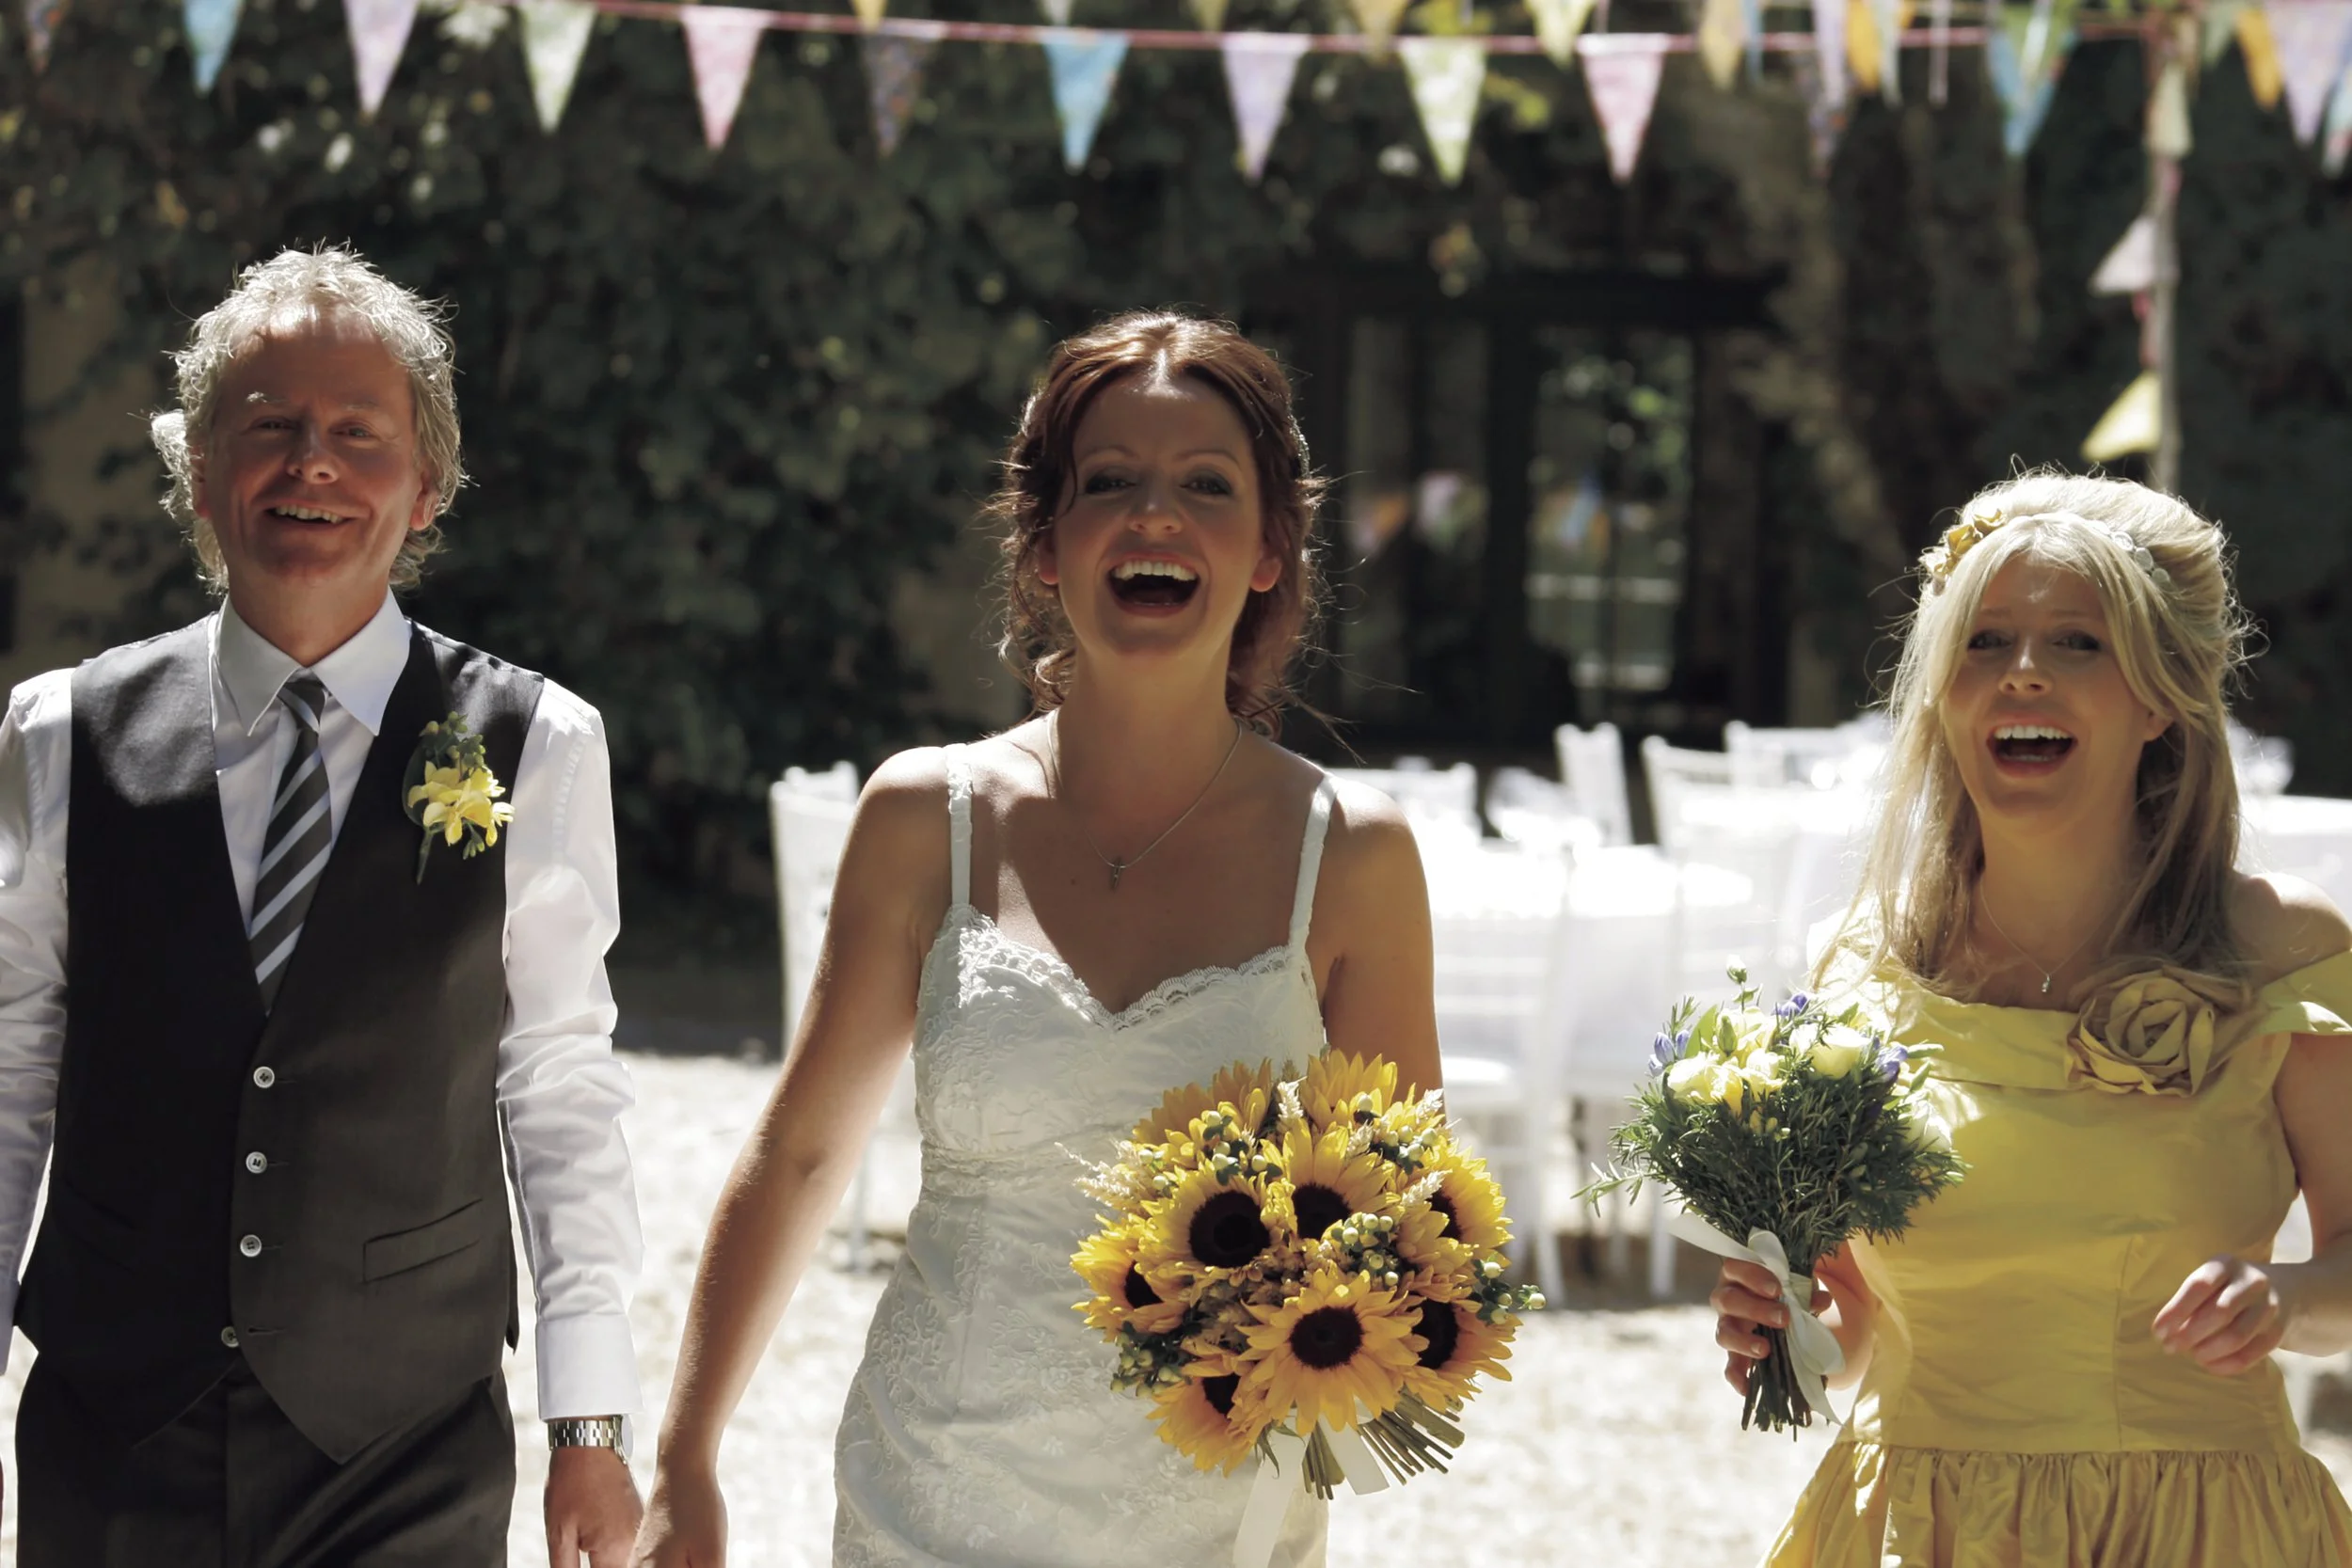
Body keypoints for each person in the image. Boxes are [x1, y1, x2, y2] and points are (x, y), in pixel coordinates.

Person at [631, 312, 1443, 1568]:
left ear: (1273, 547)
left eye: (1205, 486)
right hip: (928, 1499)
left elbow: (1414, 1243)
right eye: (1108, 481)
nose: (1154, 516)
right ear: (1047, 541)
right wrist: (685, 1457)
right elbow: (798, 1154)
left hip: (1217, 1523)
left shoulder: (1356, 854)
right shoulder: (924, 815)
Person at [0, 246, 646, 1566]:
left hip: (404, 1442)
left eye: (360, 433)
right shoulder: (63, 730)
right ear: (199, 470)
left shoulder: (539, 741)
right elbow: (11, 1073)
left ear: (428, 486)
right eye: (271, 427)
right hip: (115, 1426)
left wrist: (591, 1417)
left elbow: (560, 1090)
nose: (313, 464)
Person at [1710, 472, 2352, 1566]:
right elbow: (1856, 1329)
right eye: (1986, 640)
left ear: (2160, 699)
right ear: (1940, 696)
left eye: (2076, 644)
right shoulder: (1859, 964)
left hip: (2204, 1533)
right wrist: (1786, 1333)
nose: (2021, 674)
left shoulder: (2284, 952)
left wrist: (2286, 1296)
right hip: (1915, 1529)